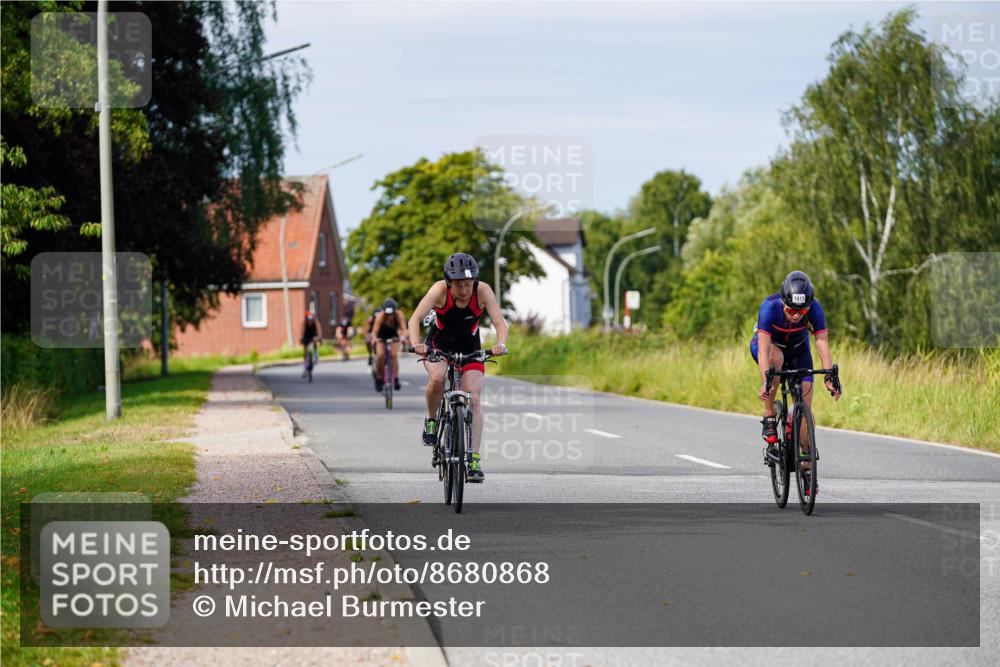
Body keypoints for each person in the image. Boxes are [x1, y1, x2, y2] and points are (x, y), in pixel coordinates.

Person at [408, 253, 508, 483]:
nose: (463, 290)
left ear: (474, 281)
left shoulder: (483, 290)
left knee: (473, 398)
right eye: (458, 286)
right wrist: (416, 344)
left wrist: (501, 344)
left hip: (470, 347)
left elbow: (499, 322)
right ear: (449, 283)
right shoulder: (438, 290)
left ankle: (473, 458)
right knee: (438, 377)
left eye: (467, 285)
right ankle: (431, 420)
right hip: (438, 345)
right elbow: (415, 318)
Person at [751, 271, 841, 471]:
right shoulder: (769, 307)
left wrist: (829, 376)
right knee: (776, 359)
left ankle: (806, 455)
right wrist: (766, 380)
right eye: (791, 310)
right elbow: (764, 350)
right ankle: (769, 417)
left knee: (805, 402)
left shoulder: (815, 308)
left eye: (802, 311)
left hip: (799, 351)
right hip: (770, 348)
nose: (797, 315)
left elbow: (821, 344)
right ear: (783, 302)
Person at [371, 299, 408, 392]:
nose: (390, 316)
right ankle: (379, 378)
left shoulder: (399, 315)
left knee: (394, 355)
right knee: (380, 355)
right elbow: (374, 332)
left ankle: (395, 379)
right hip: (381, 336)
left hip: (393, 335)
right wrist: (375, 339)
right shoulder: (380, 316)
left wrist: (403, 337)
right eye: (387, 314)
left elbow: (404, 329)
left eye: (391, 314)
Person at [300, 310, 322, 378]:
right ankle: (305, 367)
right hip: (306, 336)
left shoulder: (316, 322)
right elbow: (302, 332)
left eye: (311, 319)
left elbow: (319, 330)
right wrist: (301, 338)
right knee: (305, 352)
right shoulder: (304, 323)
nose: (310, 321)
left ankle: (315, 354)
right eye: (308, 319)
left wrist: (319, 337)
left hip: (313, 335)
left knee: (314, 340)